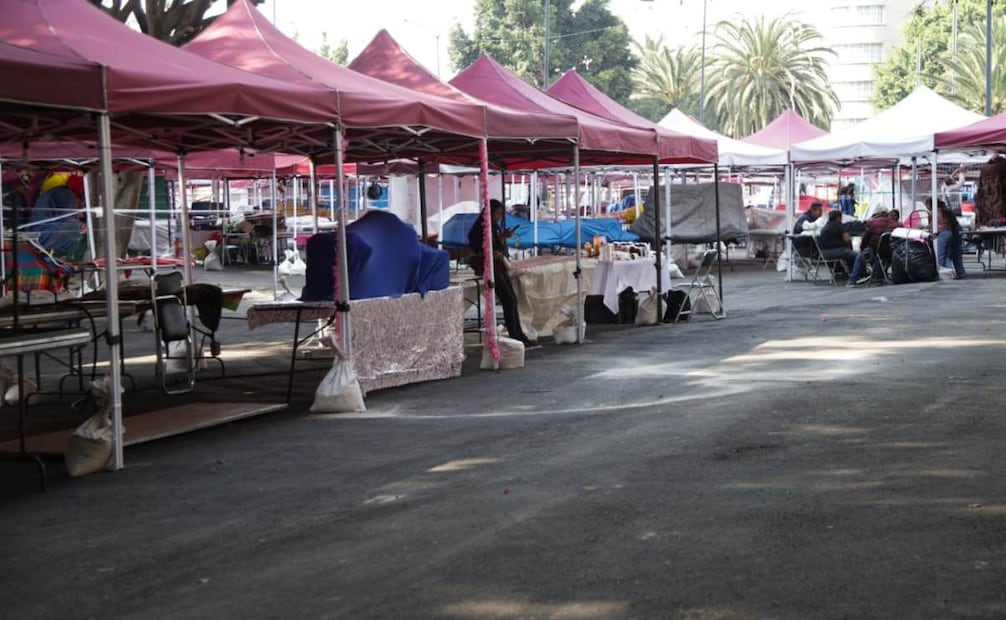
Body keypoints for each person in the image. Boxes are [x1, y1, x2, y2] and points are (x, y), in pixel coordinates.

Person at [468, 199, 536, 346]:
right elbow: (477, 245)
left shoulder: (492, 227)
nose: (499, 216)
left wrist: (502, 237)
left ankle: (519, 334)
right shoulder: (480, 228)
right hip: (490, 266)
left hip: (498, 265)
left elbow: (493, 242)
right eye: (497, 213)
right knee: (508, 300)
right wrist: (488, 253)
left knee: (512, 299)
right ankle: (516, 336)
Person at [28, 172, 86, 258]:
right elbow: (70, 218)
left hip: (41, 239)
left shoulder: (58, 193)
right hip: (43, 237)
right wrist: (80, 225)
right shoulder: (65, 194)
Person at [818, 209, 866, 287]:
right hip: (837, 252)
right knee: (858, 256)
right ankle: (854, 278)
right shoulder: (840, 226)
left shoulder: (824, 227)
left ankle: (843, 274)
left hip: (823, 254)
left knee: (850, 255)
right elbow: (846, 239)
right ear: (838, 218)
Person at [861, 207, 898, 281]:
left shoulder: (872, 223)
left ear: (878, 214)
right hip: (891, 250)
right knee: (880, 256)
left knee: (860, 256)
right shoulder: (895, 224)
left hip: (876, 250)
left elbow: (866, 238)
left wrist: (862, 248)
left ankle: (853, 279)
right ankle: (879, 275)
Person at [935, 199, 967, 279]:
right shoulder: (946, 210)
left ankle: (947, 273)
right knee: (953, 255)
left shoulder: (937, 212)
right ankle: (959, 272)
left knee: (942, 255)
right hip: (954, 233)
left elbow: (936, 225)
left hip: (944, 233)